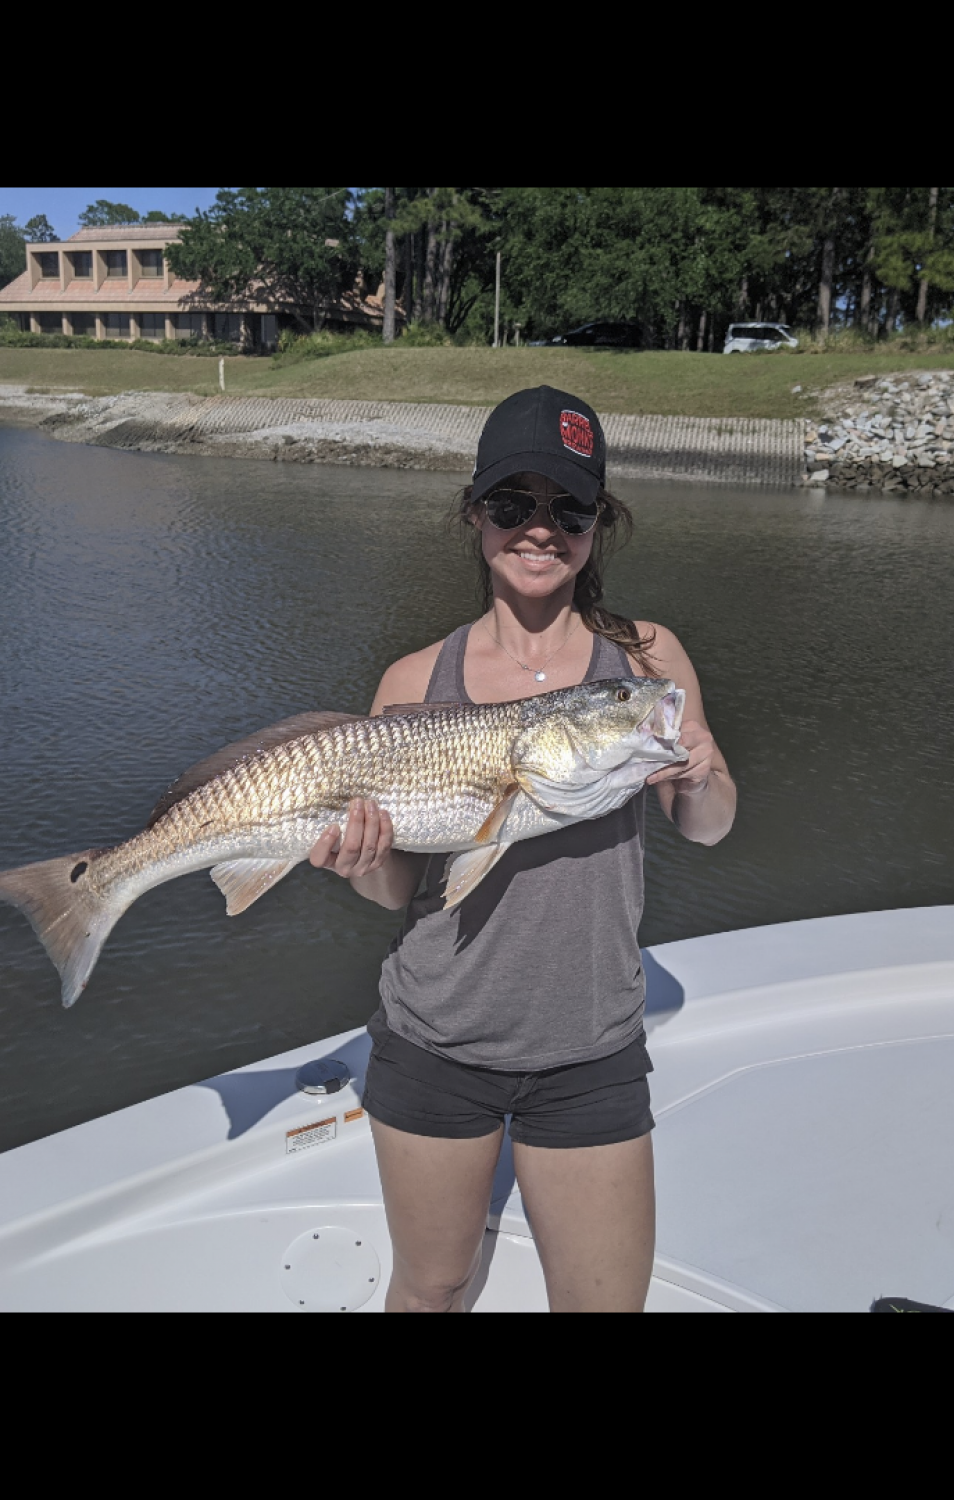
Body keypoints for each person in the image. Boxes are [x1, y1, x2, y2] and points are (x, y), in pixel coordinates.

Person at [307, 386, 736, 1311]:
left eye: (569, 508)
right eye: (513, 504)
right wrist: (361, 856)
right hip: (437, 1039)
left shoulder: (648, 660)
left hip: (592, 1044)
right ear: (474, 515)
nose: (540, 530)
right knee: (432, 1286)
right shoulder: (417, 678)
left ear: (598, 526)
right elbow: (395, 893)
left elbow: (708, 826)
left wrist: (700, 777)